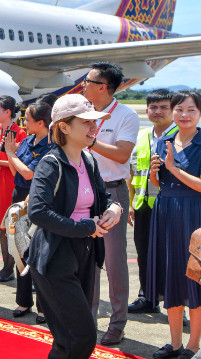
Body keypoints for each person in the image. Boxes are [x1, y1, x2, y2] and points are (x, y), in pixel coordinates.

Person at [27, 94, 122, 359]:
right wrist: (84, 227)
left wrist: (115, 208)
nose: (94, 128)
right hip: (55, 254)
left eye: (95, 122)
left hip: (86, 251)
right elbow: (37, 212)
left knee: (71, 338)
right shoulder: (51, 163)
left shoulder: (88, 159)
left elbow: (103, 198)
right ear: (64, 127)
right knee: (80, 336)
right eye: (86, 123)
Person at [83, 62, 139, 346]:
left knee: (115, 263)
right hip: (85, 191)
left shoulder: (126, 115)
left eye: (88, 80)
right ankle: (87, 319)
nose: (83, 84)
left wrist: (88, 140)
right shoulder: (84, 112)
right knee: (88, 261)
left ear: (103, 86)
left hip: (112, 193)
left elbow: (121, 155)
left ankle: (117, 323)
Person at [147, 90, 201, 359]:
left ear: (199, 112)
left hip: (194, 213)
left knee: (194, 276)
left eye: (191, 110)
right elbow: (158, 185)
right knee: (171, 277)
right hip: (166, 212)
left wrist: (175, 169)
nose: (184, 115)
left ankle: (193, 344)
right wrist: (155, 174)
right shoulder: (163, 141)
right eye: (179, 109)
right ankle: (175, 343)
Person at [128, 89, 177, 315]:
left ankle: (177, 304)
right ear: (147, 110)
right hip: (144, 206)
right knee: (144, 253)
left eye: (164, 107)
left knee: (173, 256)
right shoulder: (142, 135)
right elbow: (133, 171)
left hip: (173, 206)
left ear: (172, 110)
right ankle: (147, 297)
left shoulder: (183, 135)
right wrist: (130, 203)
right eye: (153, 107)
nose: (158, 111)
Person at [5, 101, 53, 323]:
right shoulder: (26, 141)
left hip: (37, 200)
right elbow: (16, 171)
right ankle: (23, 300)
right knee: (19, 248)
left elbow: (29, 174)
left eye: (29, 119)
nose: (25, 122)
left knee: (39, 252)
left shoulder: (50, 146)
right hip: (19, 197)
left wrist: (9, 154)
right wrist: (12, 155)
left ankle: (44, 305)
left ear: (41, 122)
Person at [0, 95, 26, 282]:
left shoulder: (19, 133)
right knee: (1, 226)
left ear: (7, 112)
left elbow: (22, 161)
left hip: (10, 180)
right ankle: (6, 266)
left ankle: (9, 267)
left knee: (10, 226)